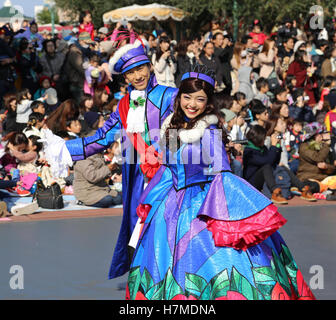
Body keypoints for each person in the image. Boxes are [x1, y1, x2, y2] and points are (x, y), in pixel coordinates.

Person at [125, 67, 315, 300]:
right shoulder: (173, 127)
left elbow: (222, 172)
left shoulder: (210, 131)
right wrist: (152, 199)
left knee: (213, 262)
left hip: (203, 206)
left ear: (208, 102)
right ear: (179, 98)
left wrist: (231, 214)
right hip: (170, 207)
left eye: (199, 99)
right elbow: (168, 168)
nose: (192, 104)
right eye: (187, 97)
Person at [42, 38, 178, 280]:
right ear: (124, 78)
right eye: (130, 72)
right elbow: (103, 137)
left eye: (140, 68)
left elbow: (183, 133)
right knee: (140, 223)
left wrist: (161, 154)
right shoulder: (125, 105)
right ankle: (149, 278)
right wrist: (65, 149)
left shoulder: (170, 96)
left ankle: (174, 277)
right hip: (137, 175)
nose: (137, 76)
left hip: (169, 174)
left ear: (150, 67)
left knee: (170, 224)